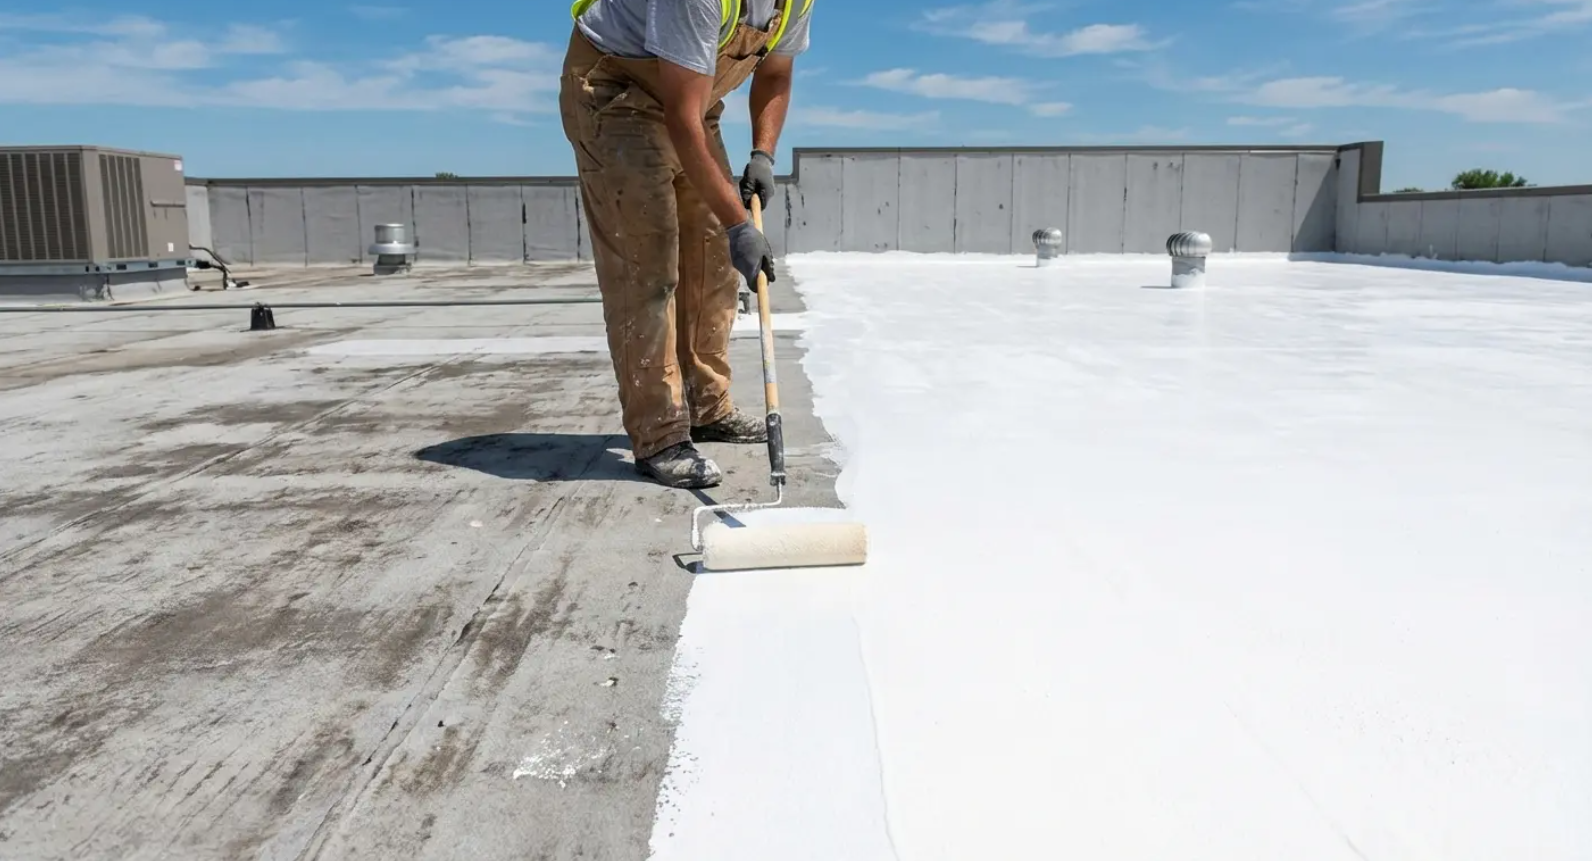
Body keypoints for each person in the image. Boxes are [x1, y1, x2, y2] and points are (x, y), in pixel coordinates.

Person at [559, 0, 813, 489]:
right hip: (614, 92)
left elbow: (776, 74)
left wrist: (763, 154)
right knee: (647, 266)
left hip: (690, 102)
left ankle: (705, 407)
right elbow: (680, 117)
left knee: (712, 259)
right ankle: (659, 435)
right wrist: (741, 225)